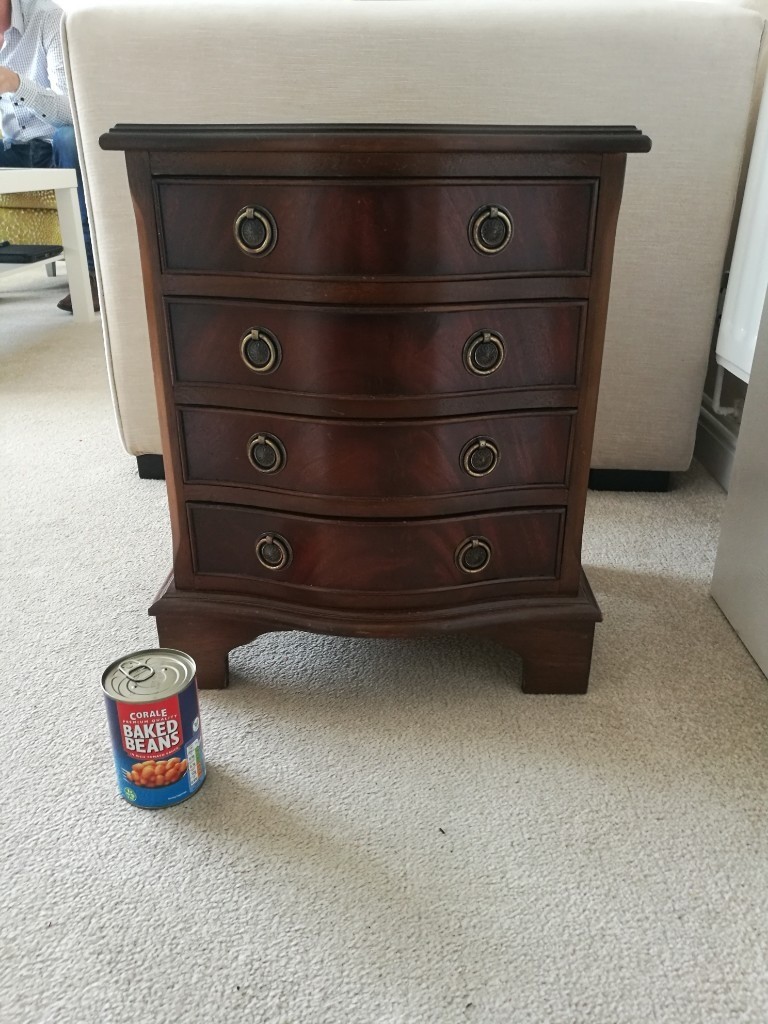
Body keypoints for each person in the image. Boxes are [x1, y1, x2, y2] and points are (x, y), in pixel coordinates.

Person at [0, 0, 98, 312]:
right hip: (10, 147)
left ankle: (92, 274)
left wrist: (15, 83)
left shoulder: (47, 18)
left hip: (52, 144)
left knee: (69, 138)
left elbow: (72, 110)